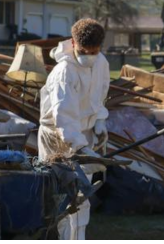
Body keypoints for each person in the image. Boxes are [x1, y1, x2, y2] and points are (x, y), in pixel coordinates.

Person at [38, 18, 110, 240]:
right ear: (73, 43)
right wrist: (80, 148)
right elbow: (64, 116)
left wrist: (100, 121)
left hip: (84, 134)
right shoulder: (64, 72)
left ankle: (78, 238)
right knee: (60, 196)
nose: (89, 55)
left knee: (82, 195)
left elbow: (100, 97)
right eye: (84, 50)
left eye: (94, 51)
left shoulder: (101, 63)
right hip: (57, 138)